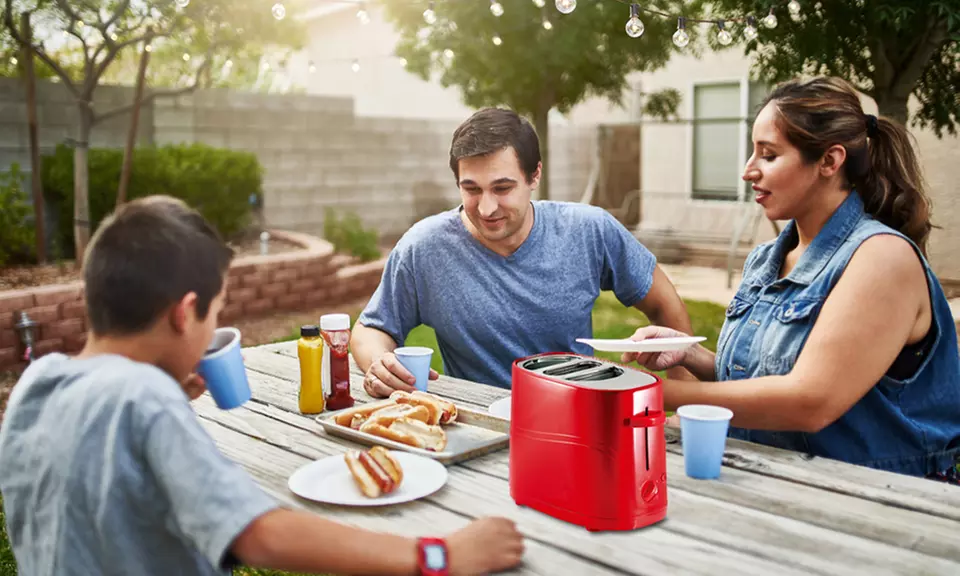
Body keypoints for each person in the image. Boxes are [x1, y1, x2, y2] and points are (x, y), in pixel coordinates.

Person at [0, 196, 525, 575]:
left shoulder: (39, 383)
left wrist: (154, 394)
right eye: (217, 313)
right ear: (186, 313)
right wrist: (440, 556)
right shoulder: (146, 402)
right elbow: (260, 535)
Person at [623, 76, 960, 481]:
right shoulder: (768, 258)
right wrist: (690, 355)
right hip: (775, 487)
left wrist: (652, 394)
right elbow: (765, 384)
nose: (749, 170)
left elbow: (810, 400)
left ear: (829, 162)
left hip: (879, 505)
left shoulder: (881, 259)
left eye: (768, 155)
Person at [351, 107, 694, 396]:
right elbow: (371, 329)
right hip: (476, 425)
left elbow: (665, 306)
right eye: (471, 189)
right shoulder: (424, 247)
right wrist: (379, 362)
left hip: (577, 417)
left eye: (502, 188)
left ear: (534, 175)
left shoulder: (588, 230)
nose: (486, 208)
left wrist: (687, 399)